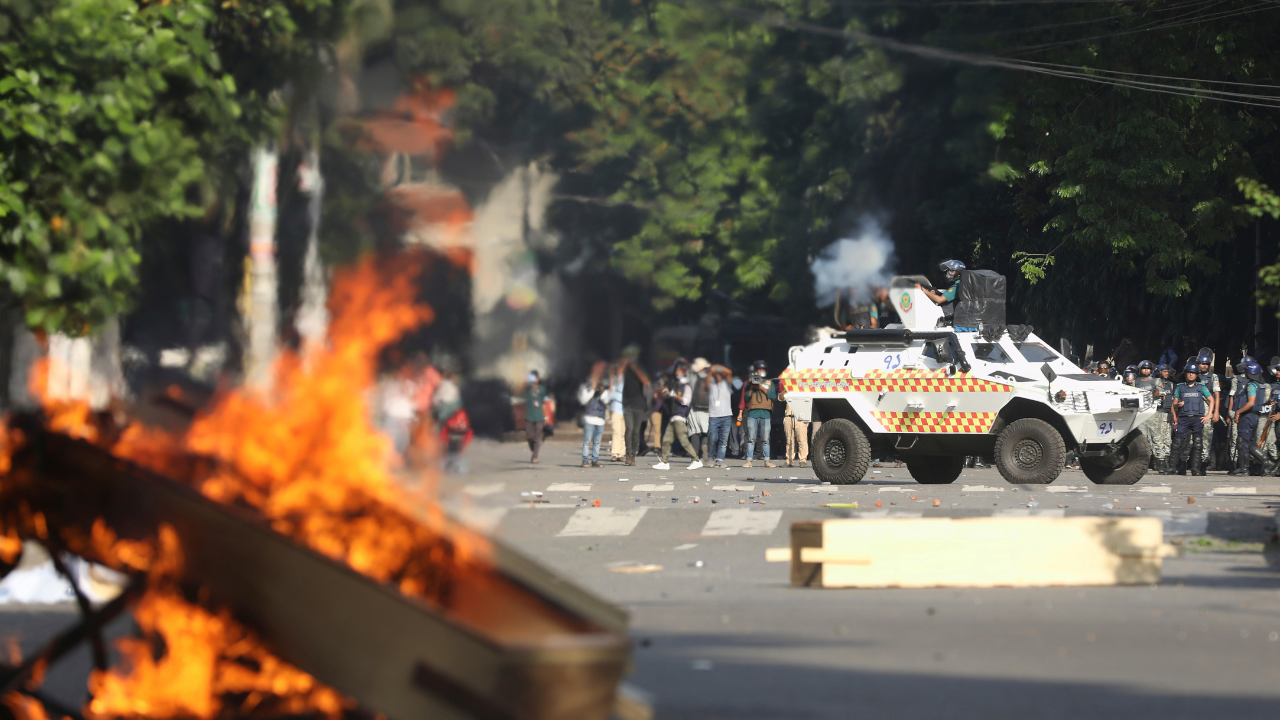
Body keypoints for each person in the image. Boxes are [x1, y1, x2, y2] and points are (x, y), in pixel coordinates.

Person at [653, 359, 703, 470]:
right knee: (666, 440)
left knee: (684, 440)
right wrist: (667, 392)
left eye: (680, 370)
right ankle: (665, 462)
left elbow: (685, 401)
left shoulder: (687, 387)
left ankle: (696, 460)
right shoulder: (676, 386)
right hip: (673, 417)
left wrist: (672, 394)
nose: (677, 372)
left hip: (680, 417)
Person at [1171, 362, 1211, 476]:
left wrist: (1208, 415)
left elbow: (1212, 400)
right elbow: (1174, 404)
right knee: (1177, 443)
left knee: (1198, 444)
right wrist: (1178, 406)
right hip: (1183, 418)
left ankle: (1195, 469)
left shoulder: (1201, 387)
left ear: (1196, 375)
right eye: (1189, 373)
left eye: (1193, 373)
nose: (1191, 375)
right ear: (1185, 374)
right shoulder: (1180, 387)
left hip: (1197, 418)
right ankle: (1172, 468)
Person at [738, 359, 777, 468]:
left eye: (763, 369)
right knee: (751, 439)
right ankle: (748, 460)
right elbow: (746, 397)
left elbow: (774, 396)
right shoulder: (749, 382)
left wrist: (761, 387)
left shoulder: (769, 383)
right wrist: (751, 387)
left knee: (765, 439)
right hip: (752, 413)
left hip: (766, 413)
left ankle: (767, 460)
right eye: (759, 369)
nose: (761, 371)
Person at [1229, 360, 1266, 476]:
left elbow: (1251, 402)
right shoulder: (1260, 385)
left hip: (1248, 415)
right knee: (1248, 442)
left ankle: (1246, 468)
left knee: (1243, 442)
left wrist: (1238, 412)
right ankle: (1251, 465)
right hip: (1255, 416)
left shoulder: (1251, 385)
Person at [618, 346, 650, 466]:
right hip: (627, 403)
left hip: (639, 404)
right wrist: (624, 364)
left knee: (636, 431)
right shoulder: (624, 369)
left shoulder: (639, 368)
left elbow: (646, 382)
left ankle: (633, 454)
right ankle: (628, 453)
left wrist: (634, 367)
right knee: (629, 429)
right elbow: (618, 375)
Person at [1194, 350, 1223, 471]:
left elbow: (1216, 395)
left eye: (1206, 364)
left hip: (1207, 410)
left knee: (1206, 437)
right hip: (1194, 409)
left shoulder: (1213, 377)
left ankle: (1203, 463)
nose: (1204, 366)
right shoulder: (1193, 375)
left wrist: (1215, 412)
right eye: (1201, 363)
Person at [578, 365, 609, 468]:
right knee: (587, 441)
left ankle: (595, 460)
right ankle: (585, 460)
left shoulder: (604, 388)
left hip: (600, 419)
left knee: (597, 442)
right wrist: (592, 389)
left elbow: (607, 400)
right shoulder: (586, 386)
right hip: (589, 418)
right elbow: (583, 400)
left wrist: (602, 391)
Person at [1133, 361, 1162, 470]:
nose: (1146, 370)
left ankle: (1160, 464)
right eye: (1144, 368)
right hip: (1140, 413)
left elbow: (1161, 395)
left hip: (1153, 413)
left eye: (1148, 368)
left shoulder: (1156, 381)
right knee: (1143, 439)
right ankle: (1144, 465)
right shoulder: (1136, 382)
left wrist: (1156, 397)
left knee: (1157, 438)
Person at [705, 362, 734, 467]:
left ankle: (720, 460)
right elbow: (706, 382)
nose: (717, 375)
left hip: (726, 415)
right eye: (715, 374)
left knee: (724, 440)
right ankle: (710, 457)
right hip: (713, 416)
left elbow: (729, 372)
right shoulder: (711, 385)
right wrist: (711, 371)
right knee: (712, 438)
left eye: (719, 374)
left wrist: (717, 367)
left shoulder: (727, 384)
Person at [687, 358, 712, 463]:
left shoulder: (691, 377)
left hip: (693, 408)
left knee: (694, 433)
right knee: (706, 431)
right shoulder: (711, 378)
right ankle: (705, 445)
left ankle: (695, 457)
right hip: (707, 409)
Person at [522, 370, 548, 464]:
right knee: (529, 436)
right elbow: (519, 390)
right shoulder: (528, 388)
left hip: (539, 416)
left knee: (537, 437)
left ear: (538, 379)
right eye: (532, 377)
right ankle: (534, 450)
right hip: (529, 416)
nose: (534, 379)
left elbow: (543, 403)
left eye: (535, 377)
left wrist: (546, 416)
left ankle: (534, 457)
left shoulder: (542, 389)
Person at [1153, 364, 1175, 473]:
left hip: (1168, 414)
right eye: (1164, 371)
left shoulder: (1170, 384)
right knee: (1158, 439)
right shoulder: (1154, 382)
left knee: (1167, 439)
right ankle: (1158, 463)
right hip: (1157, 413)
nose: (1167, 373)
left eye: (1167, 371)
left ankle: (1166, 462)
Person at [608, 362, 626, 462]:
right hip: (616, 409)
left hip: (625, 410)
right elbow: (611, 394)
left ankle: (621, 454)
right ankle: (615, 453)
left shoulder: (625, 381)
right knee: (616, 432)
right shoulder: (614, 381)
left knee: (623, 432)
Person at [783, 402, 808, 468]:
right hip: (788, 416)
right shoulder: (788, 391)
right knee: (789, 440)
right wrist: (785, 391)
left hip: (801, 416)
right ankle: (789, 460)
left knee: (802, 439)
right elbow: (780, 398)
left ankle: (803, 460)